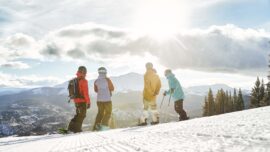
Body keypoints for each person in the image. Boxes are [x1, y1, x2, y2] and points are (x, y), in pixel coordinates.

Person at [68, 66, 91, 133]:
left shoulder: (75, 80)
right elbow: (85, 93)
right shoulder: (84, 81)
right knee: (82, 115)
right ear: (84, 72)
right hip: (82, 101)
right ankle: (77, 129)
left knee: (78, 115)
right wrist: (88, 102)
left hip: (76, 101)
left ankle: (71, 128)